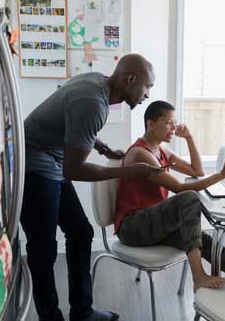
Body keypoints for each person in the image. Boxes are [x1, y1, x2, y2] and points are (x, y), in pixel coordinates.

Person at [21, 54, 164, 321]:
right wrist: (131, 171)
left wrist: (105, 149)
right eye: (147, 87)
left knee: (81, 232)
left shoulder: (97, 83)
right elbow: (74, 170)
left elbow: (75, 124)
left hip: (52, 157)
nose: (147, 95)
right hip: (33, 163)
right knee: (43, 249)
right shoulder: (94, 103)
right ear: (130, 79)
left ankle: (82, 313)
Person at [114, 100, 225, 291]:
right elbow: (180, 189)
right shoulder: (140, 154)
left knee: (200, 238)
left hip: (152, 223)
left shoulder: (160, 150)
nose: (174, 127)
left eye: (175, 122)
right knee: (189, 198)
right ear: (150, 124)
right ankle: (199, 277)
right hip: (132, 227)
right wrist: (221, 175)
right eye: (169, 122)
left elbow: (197, 170)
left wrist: (189, 138)